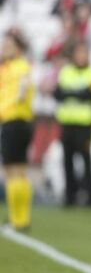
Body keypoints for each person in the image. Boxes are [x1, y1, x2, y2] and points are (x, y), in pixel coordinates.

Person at [54, 42, 91, 207]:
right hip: (67, 123)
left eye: (84, 53)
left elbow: (89, 94)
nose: (81, 57)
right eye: (79, 53)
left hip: (85, 124)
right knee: (67, 160)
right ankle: (70, 196)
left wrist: (72, 93)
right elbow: (59, 93)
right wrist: (78, 93)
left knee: (86, 160)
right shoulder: (66, 71)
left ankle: (89, 196)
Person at [0, 31, 34, 230]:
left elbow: (22, 90)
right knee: (20, 171)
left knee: (12, 171)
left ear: (18, 48)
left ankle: (16, 219)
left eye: (8, 45)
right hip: (22, 121)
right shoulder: (14, 67)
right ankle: (23, 219)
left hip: (13, 121)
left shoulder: (19, 67)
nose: (4, 48)